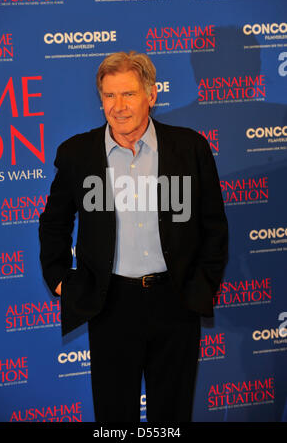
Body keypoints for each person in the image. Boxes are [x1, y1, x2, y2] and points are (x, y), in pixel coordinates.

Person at [39, 51, 228, 422]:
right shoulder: (78, 153)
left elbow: (214, 224)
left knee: (171, 417)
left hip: (175, 301)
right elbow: (53, 222)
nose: (118, 106)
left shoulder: (189, 148)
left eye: (128, 94)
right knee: (114, 417)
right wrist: (61, 279)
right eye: (109, 96)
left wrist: (202, 283)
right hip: (110, 304)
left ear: (151, 95)